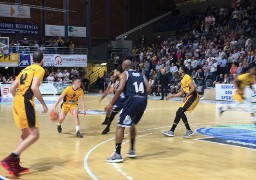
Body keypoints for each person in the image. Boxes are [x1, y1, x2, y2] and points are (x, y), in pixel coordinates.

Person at [1, 51, 48, 177]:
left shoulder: (25, 69)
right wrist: (43, 104)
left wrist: (19, 100)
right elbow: (34, 88)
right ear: (42, 60)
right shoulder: (39, 69)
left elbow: (12, 89)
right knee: (34, 135)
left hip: (16, 101)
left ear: (33, 59)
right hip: (25, 102)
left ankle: (15, 164)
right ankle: (10, 158)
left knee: (25, 134)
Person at [105, 60, 150, 163]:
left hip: (132, 100)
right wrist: (141, 97)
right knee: (132, 123)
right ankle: (132, 150)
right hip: (143, 100)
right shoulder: (141, 74)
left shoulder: (125, 73)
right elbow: (149, 89)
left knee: (120, 125)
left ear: (123, 66)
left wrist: (111, 103)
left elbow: (120, 88)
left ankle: (117, 155)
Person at [162, 66, 199, 138]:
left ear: (182, 71)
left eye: (179, 69)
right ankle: (171, 131)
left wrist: (186, 96)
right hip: (190, 96)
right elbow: (181, 93)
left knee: (180, 111)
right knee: (178, 112)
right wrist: (171, 96)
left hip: (193, 96)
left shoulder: (187, 77)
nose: (178, 71)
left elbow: (193, 88)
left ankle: (189, 130)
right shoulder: (182, 80)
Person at [102, 68, 125, 134]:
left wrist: (106, 93)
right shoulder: (116, 80)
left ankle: (122, 132)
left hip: (125, 99)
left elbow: (114, 89)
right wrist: (106, 93)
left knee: (123, 115)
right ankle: (107, 127)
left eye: (115, 72)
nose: (114, 74)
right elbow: (113, 89)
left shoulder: (124, 78)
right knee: (112, 114)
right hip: (119, 99)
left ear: (118, 72)